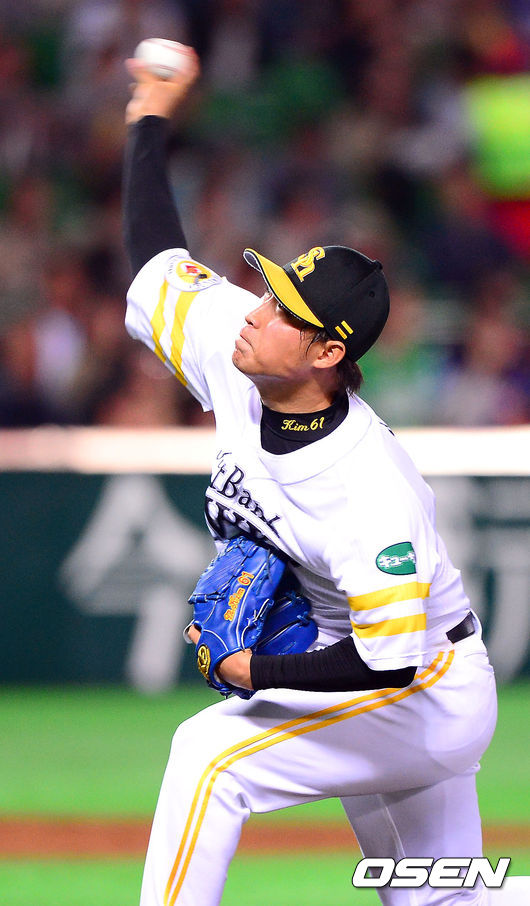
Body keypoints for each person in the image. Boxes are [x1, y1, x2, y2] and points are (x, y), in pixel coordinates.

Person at [122, 49, 497, 906]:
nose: (255, 313)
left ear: (327, 352)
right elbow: (154, 259)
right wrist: (149, 117)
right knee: (439, 897)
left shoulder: (370, 486)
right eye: (268, 292)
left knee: (210, 758)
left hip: (424, 691)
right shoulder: (241, 351)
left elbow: (387, 663)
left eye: (284, 312)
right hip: (374, 672)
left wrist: (255, 672)